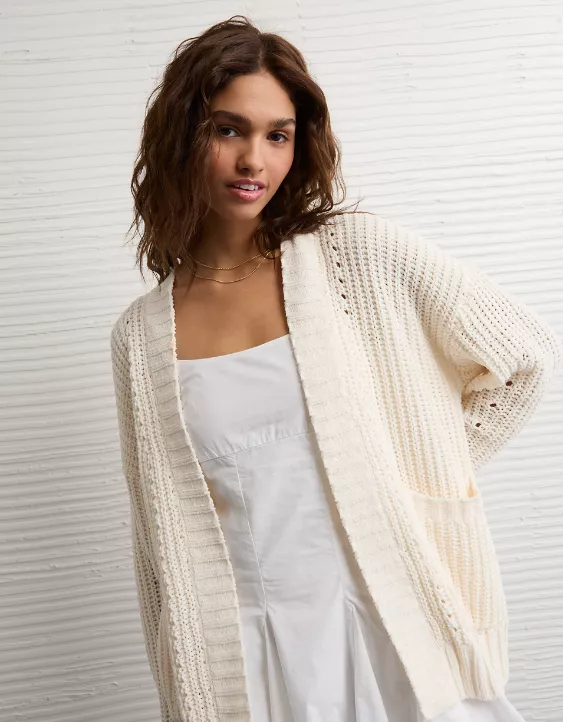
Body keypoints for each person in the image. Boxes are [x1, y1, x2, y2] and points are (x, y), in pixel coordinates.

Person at [110, 15, 562, 722]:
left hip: (385, 619)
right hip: (249, 653)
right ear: (181, 137)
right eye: (227, 129)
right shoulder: (140, 337)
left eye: (277, 135)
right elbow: (156, 550)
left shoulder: (356, 256)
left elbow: (523, 355)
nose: (253, 159)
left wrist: (409, 475)